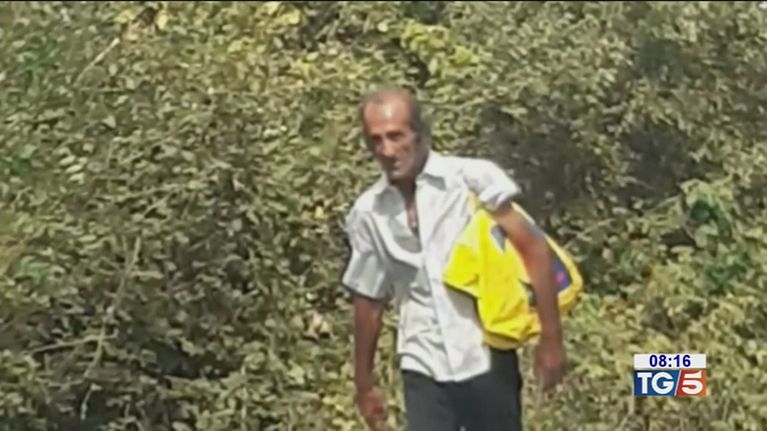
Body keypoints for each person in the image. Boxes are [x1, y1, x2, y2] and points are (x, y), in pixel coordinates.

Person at [341, 87, 566, 431]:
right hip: (423, 361)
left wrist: (551, 338)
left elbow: (533, 249)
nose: (387, 150)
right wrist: (364, 385)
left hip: (485, 354)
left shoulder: (471, 181)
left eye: (396, 136)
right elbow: (368, 302)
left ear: (419, 134)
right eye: (377, 140)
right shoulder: (369, 213)